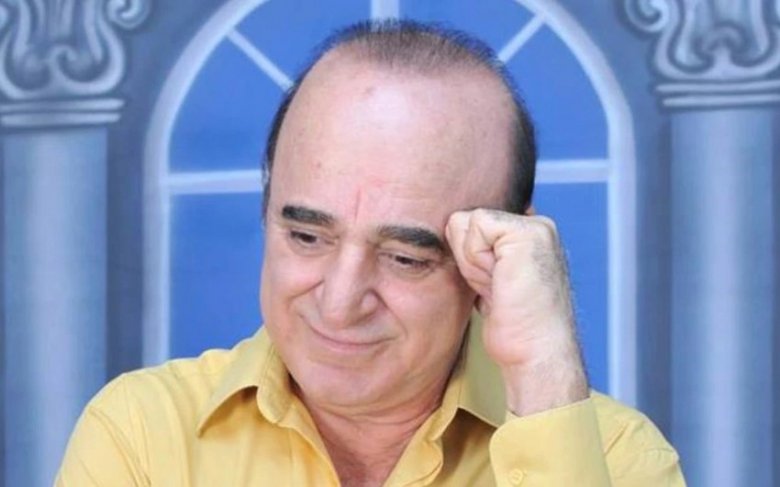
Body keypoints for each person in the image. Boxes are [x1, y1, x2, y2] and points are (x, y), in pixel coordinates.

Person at [57, 21, 684, 486]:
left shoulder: (616, 458)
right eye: (307, 237)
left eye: (405, 257)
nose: (339, 302)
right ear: (267, 207)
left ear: (502, 255)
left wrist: (544, 373)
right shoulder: (142, 433)